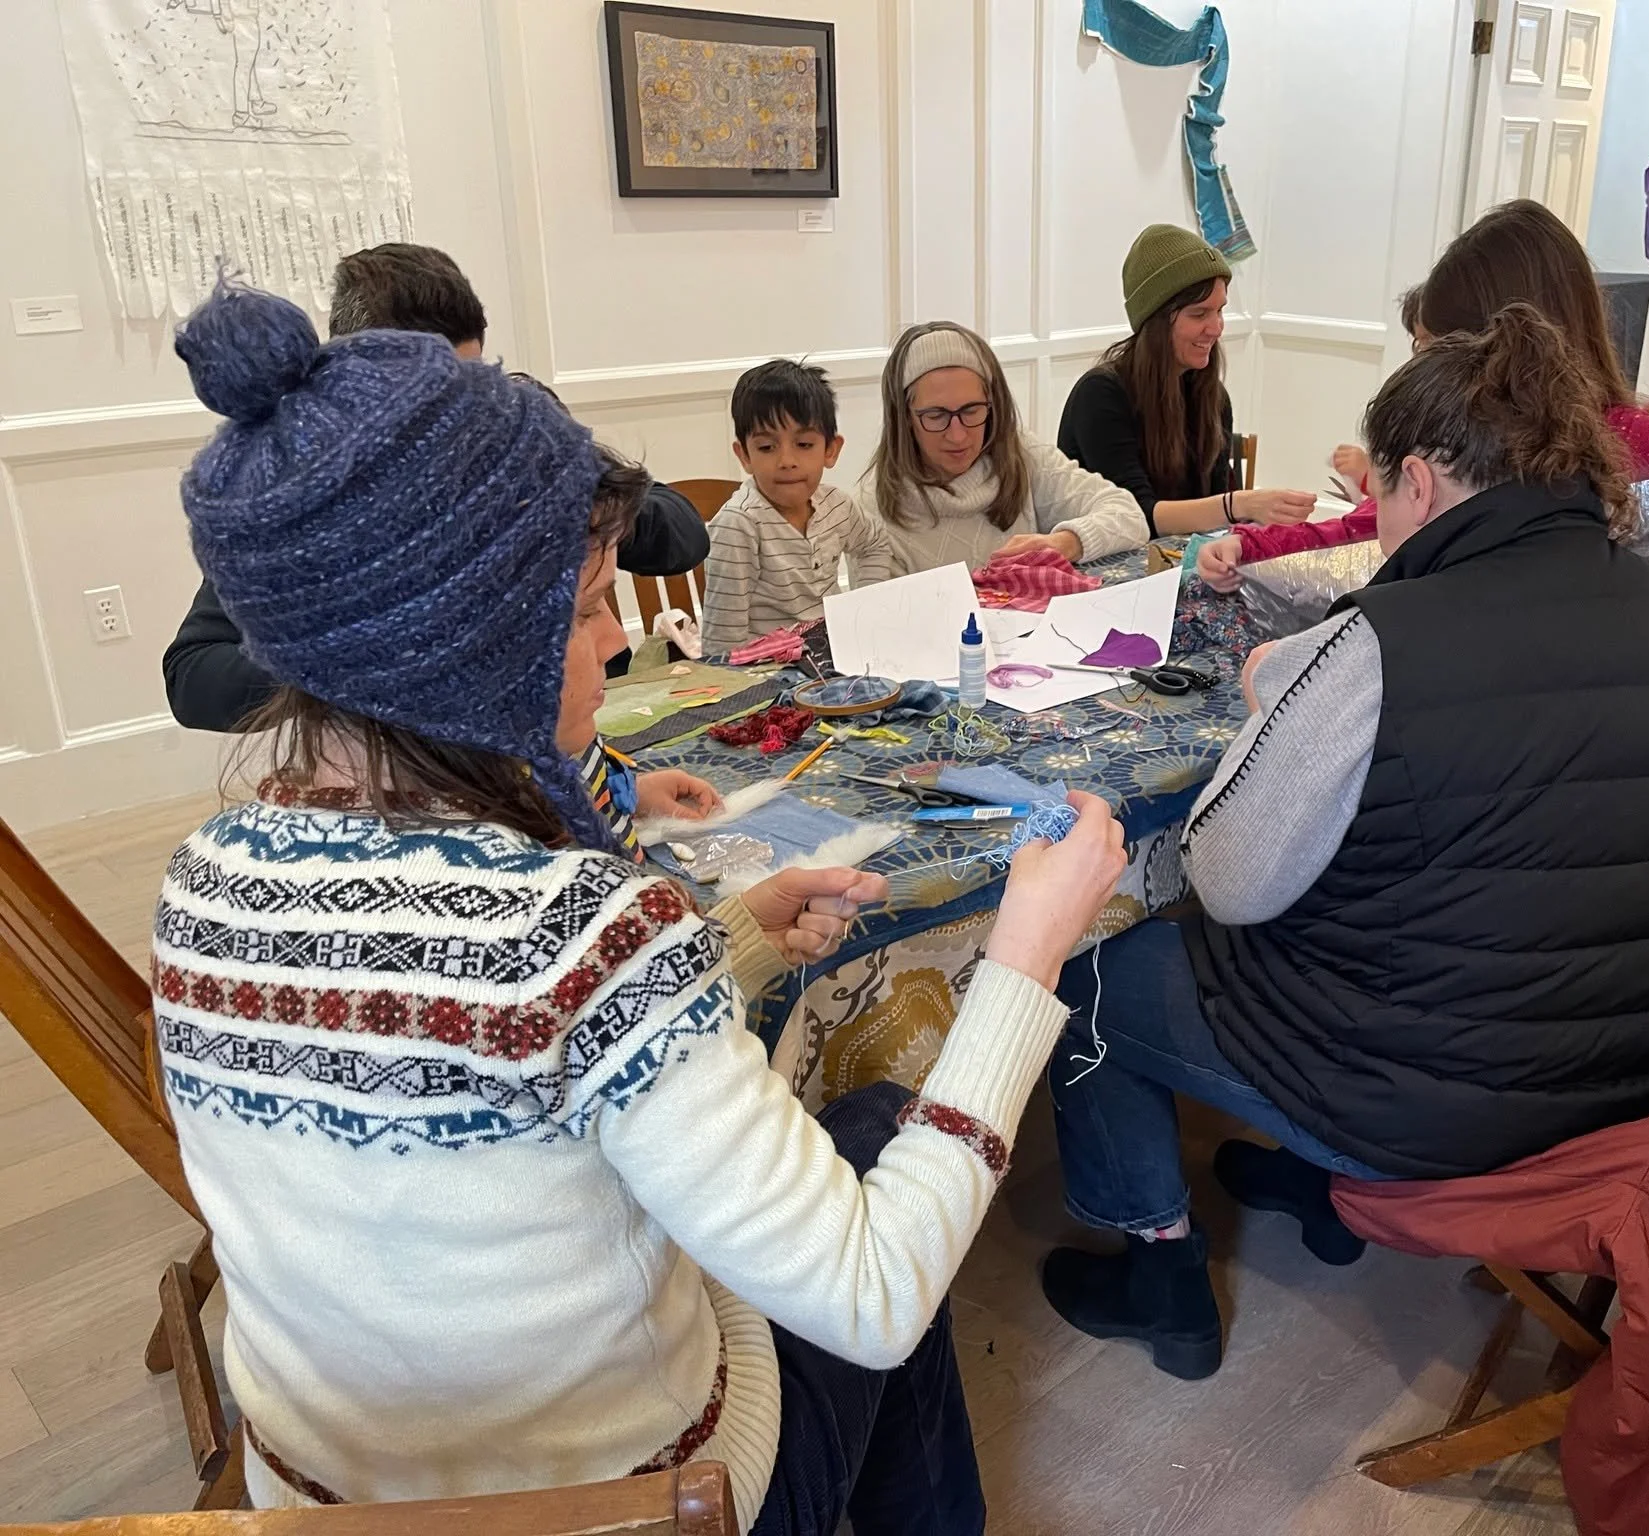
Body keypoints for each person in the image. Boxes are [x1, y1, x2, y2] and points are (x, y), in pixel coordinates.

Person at [155, 281, 1131, 1532]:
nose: (618, 645)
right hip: (629, 1506)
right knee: (881, 1131)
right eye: (583, 608)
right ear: (461, 651)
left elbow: (507, 1083)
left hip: (327, 1501)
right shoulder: (583, 928)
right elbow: (872, 1295)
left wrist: (725, 936)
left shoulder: (206, 873)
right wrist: (1024, 958)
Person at [1037, 303, 1649, 1379]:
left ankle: (1158, 1269)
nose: (1370, 524)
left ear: (1418, 481)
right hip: (1632, 1087)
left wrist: (1277, 709)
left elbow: (1227, 879)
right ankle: (1327, 1191)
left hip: (1424, 1109)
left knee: (1093, 972)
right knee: (1394, 917)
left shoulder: (1384, 645)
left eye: (1375, 495)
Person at [1196, 198, 1649, 590]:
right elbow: (1364, 526)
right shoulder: (1471, 437)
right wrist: (1255, 544)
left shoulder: (1634, 441)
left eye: (1435, 349)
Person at [163, 242, 710, 728]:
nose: (457, 416)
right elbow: (195, 677)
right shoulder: (306, 499)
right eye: (429, 399)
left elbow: (684, 534)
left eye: (467, 385)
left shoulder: (514, 436)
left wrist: (573, 505)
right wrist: (376, 645)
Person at [1057, 225, 1315, 534]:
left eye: (1220, 311)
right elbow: (1137, 518)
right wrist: (1240, 505)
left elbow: (1212, 523)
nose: (1216, 327)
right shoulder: (1101, 394)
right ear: (1156, 319)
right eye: (1199, 314)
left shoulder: (1212, 398)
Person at [858, 321, 1148, 575]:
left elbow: (1129, 516)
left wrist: (1064, 543)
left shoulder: (1021, 455)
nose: (958, 435)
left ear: (993, 405)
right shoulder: (871, 510)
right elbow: (876, 624)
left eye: (971, 411)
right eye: (936, 416)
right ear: (904, 418)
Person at [700, 359, 893, 654]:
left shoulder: (836, 506)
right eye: (767, 447)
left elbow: (874, 543)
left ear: (830, 450)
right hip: (765, 674)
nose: (787, 461)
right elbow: (722, 648)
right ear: (744, 456)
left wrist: (862, 610)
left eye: (803, 444)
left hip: (834, 657)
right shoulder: (738, 526)